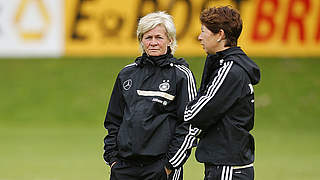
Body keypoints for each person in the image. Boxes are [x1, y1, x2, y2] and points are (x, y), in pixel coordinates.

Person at [103, 11, 199, 180]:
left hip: (160, 168)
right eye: (148, 37)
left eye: (159, 37)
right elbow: (113, 120)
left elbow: (189, 125)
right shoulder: (126, 74)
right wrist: (113, 160)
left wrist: (169, 165)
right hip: (124, 167)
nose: (153, 43)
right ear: (141, 40)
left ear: (170, 40)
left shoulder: (181, 75)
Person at [184, 6, 261, 180]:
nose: (199, 37)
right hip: (227, 165)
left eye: (204, 31)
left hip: (228, 167)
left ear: (220, 35)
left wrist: (184, 109)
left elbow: (196, 113)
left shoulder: (230, 70)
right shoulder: (224, 65)